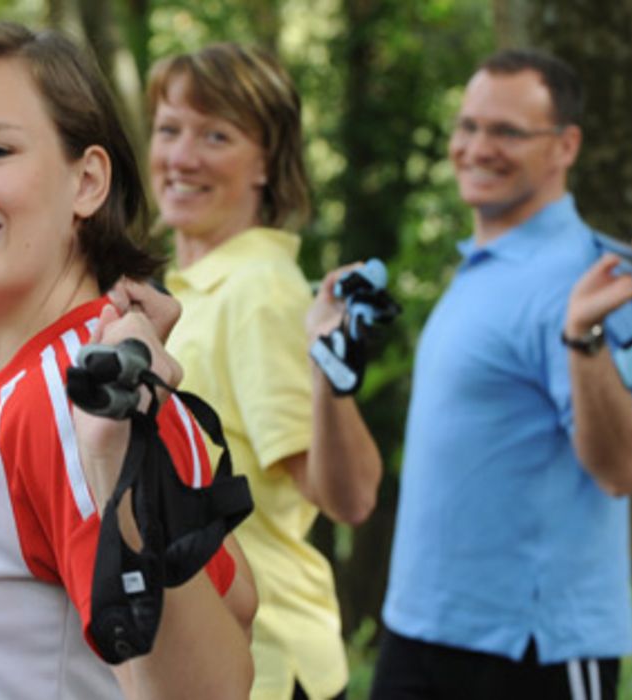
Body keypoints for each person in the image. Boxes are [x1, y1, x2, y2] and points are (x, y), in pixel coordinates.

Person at [0, 20, 257, 699]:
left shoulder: (68, 398)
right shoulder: (51, 380)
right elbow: (237, 595)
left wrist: (114, 462)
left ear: (88, 181)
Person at [371, 49, 632, 700]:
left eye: (505, 131)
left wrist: (581, 336)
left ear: (565, 146)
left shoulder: (587, 276)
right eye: (467, 126)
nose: (476, 148)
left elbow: (623, 468)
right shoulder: (482, 264)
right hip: (418, 632)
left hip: (530, 653)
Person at [146, 43, 383, 700]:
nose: (181, 157)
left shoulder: (259, 293)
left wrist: (331, 377)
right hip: (209, 654)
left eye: (215, 135)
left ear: (265, 165)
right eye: (169, 130)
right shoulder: (186, 291)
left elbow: (344, 495)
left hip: (268, 664)